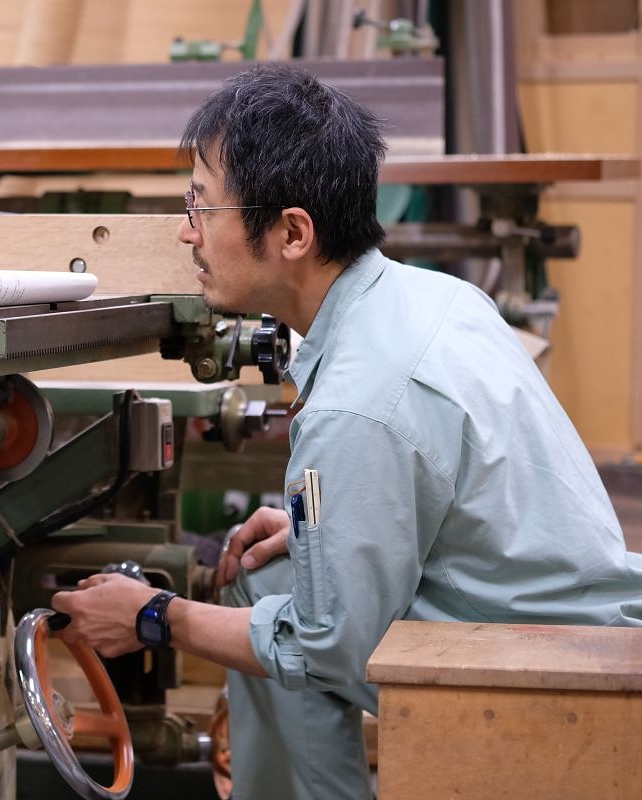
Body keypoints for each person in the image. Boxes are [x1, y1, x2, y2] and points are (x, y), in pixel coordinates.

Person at [51, 63, 642, 800]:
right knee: (265, 574)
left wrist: (153, 616)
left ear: (292, 232)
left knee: (279, 623)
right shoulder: (439, 297)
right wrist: (318, 534)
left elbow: (327, 649)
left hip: (541, 674)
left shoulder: (357, 406)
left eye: (202, 205)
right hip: (576, 616)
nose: (185, 230)